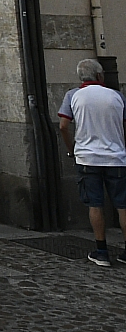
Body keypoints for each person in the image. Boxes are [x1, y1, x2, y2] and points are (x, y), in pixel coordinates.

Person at [58, 58, 126, 266]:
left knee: (95, 204)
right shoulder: (117, 96)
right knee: (122, 204)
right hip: (116, 157)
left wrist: (72, 149)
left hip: (87, 157)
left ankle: (101, 251)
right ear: (100, 76)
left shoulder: (73, 96)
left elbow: (63, 126)